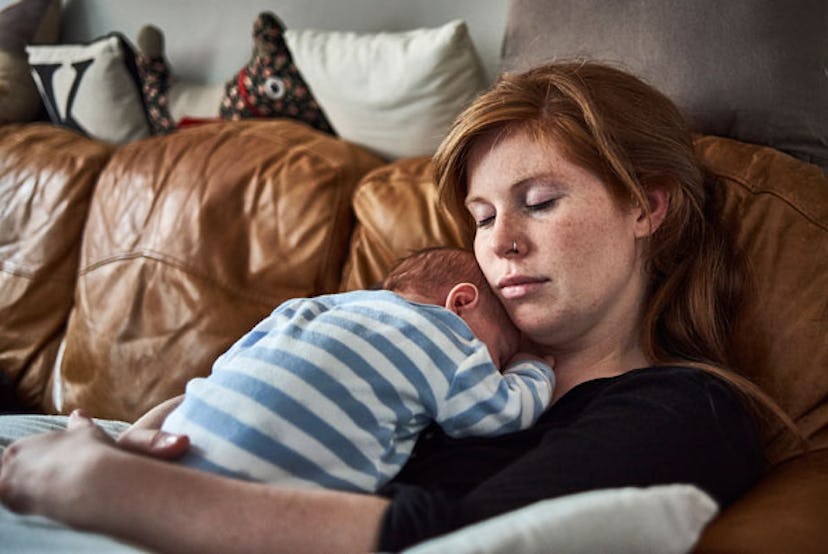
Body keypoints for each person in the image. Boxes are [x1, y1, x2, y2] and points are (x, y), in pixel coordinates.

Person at [0, 61, 801, 553]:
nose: (501, 244)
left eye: (540, 201)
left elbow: (468, 544)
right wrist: (161, 427)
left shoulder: (683, 408)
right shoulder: (431, 346)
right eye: (483, 218)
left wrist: (110, 490)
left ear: (646, 207)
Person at [155, 246, 554, 490]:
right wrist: (530, 365)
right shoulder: (447, 336)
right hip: (257, 495)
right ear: (461, 302)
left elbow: (225, 368)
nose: (492, 365)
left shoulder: (311, 307)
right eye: (497, 353)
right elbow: (500, 412)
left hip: (173, 455)